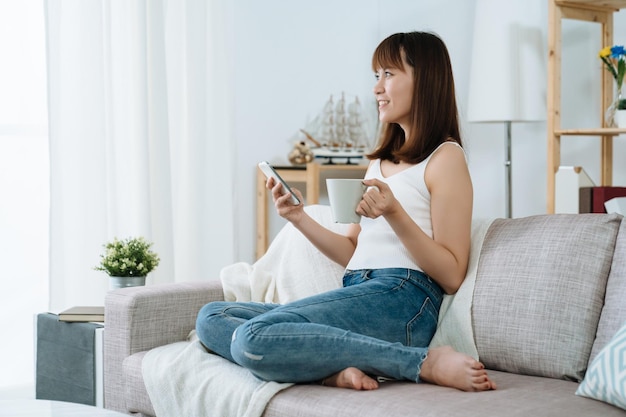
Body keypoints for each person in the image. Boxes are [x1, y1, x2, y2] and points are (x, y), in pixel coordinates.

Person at [196, 31, 496, 392]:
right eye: (376, 76)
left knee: (252, 338)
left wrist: (395, 213)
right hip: (358, 286)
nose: (377, 88)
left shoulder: (445, 158)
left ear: (425, 80)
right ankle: (328, 369)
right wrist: (298, 218)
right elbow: (353, 251)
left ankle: (421, 363)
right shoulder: (379, 162)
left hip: (403, 297)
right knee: (212, 317)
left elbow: (452, 273)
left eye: (389, 74)